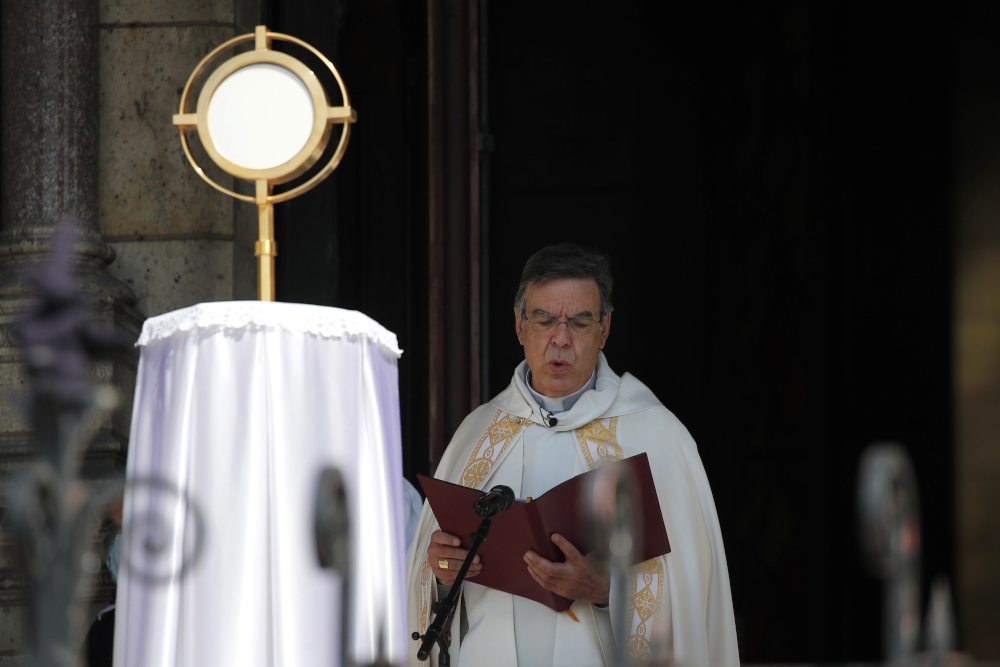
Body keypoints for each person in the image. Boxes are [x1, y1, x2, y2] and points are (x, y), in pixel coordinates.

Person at [405, 243, 739, 666]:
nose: (560, 339)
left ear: (605, 329)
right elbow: (425, 582)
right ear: (520, 325)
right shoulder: (478, 434)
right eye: (544, 320)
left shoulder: (656, 436)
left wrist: (608, 591)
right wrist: (440, 570)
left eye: (579, 323)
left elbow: (693, 594)